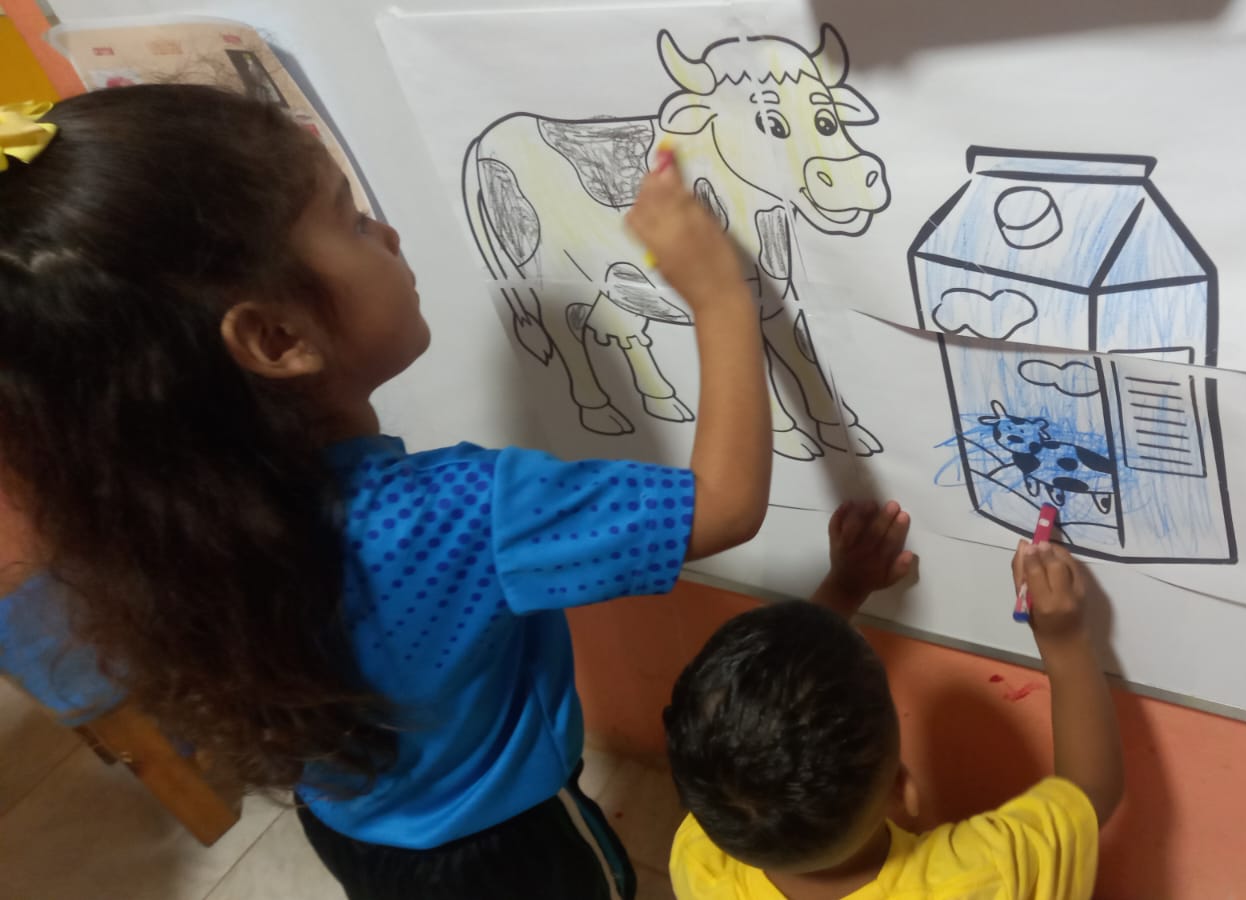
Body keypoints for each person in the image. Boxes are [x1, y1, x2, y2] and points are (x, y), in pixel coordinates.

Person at [0, 84, 772, 899]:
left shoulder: (149, 527)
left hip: (357, 835)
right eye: (354, 221)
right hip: (512, 855)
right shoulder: (457, 513)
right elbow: (723, 506)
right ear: (278, 337)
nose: (391, 232)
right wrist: (719, 293)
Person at [665, 502, 1123, 900]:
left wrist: (843, 587)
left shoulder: (700, 860)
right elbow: (1090, 792)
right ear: (904, 788)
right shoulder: (981, 875)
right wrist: (1064, 640)